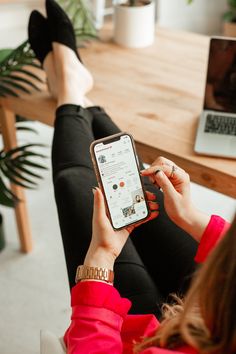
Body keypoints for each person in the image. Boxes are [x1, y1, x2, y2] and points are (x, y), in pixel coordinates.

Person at [28, 1, 235, 353]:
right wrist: (195, 220)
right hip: (217, 302)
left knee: (78, 186)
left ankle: (70, 86)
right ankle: (75, 89)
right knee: (138, 182)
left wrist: (100, 259)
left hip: (158, 336)